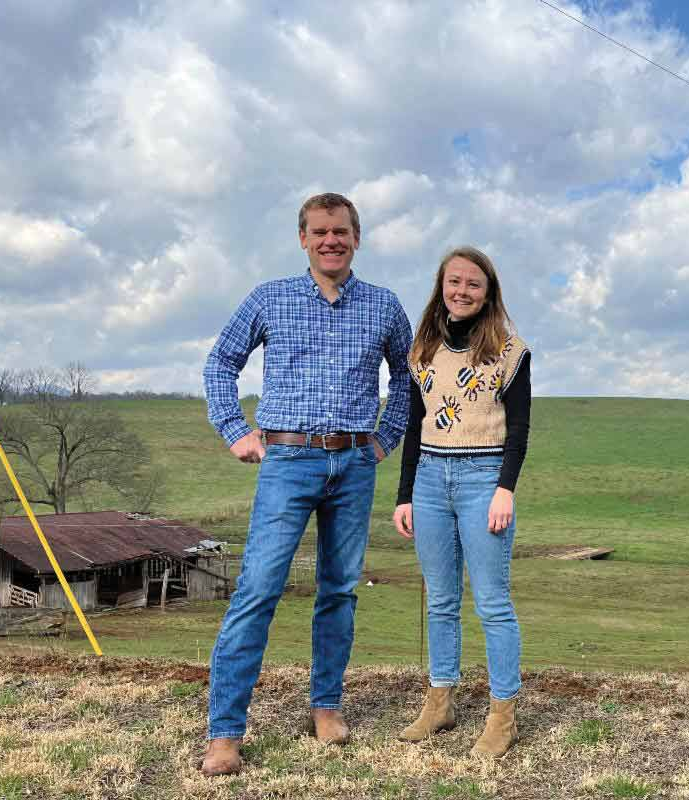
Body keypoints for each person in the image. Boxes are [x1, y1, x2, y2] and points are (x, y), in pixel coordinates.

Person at [200, 193, 413, 776]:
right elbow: (221, 363)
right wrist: (235, 429)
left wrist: (382, 439)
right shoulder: (270, 297)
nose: (330, 241)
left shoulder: (383, 306)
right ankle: (225, 734)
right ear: (302, 238)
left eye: (341, 231)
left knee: (339, 590)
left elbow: (409, 379)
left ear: (356, 237)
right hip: (287, 460)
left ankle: (326, 706)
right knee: (259, 589)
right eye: (319, 231)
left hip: (353, 464)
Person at [392, 245, 531, 758]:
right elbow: (413, 423)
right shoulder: (422, 349)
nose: (463, 291)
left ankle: (502, 716)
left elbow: (519, 428)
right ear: (441, 287)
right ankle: (441, 700)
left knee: (492, 603)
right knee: (441, 599)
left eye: (473, 284)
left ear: (488, 291)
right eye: (455, 282)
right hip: (429, 478)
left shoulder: (510, 351)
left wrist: (504, 489)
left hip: (483, 479)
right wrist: (405, 495)